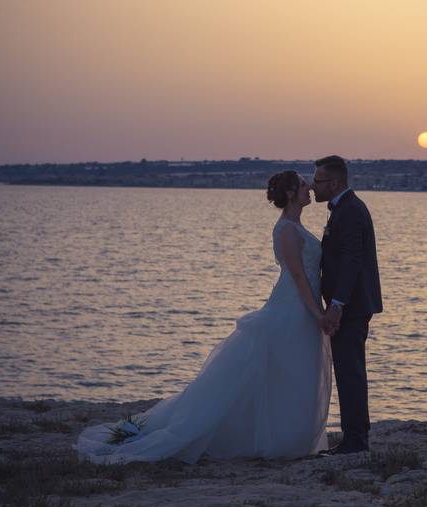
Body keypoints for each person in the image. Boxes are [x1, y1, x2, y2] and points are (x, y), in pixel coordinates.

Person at [74, 171, 332, 464]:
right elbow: (298, 276)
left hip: (301, 309)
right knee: (280, 371)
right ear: (289, 194)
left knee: (291, 372)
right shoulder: (286, 230)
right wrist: (318, 312)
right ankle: (269, 438)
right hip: (293, 308)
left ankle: (288, 435)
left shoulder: (296, 226)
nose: (308, 187)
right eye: (301, 185)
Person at [312, 155, 383, 455]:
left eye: (318, 181)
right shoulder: (343, 209)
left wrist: (337, 306)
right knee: (348, 370)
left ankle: (356, 441)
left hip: (351, 307)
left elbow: (352, 262)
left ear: (336, 183)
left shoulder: (351, 211)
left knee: (350, 371)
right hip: (349, 305)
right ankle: (355, 436)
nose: (313, 186)